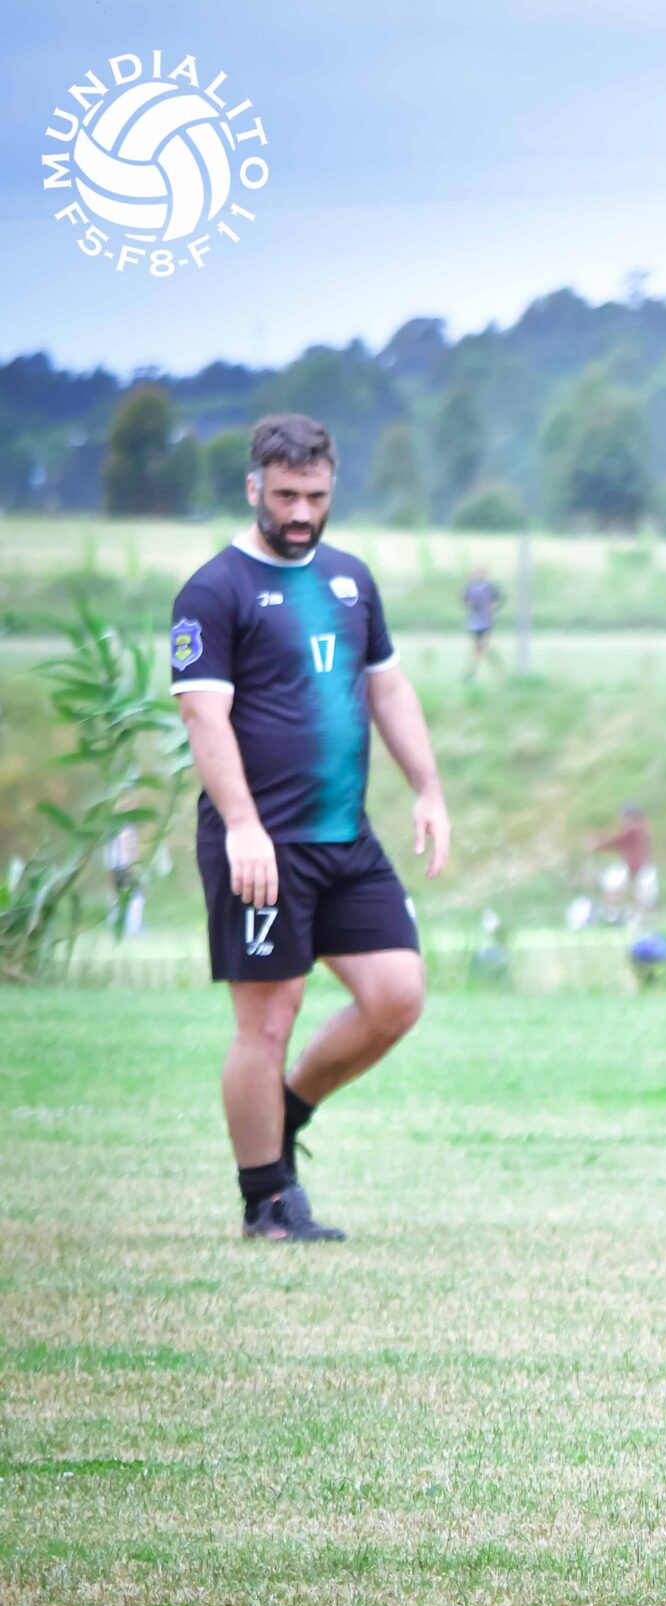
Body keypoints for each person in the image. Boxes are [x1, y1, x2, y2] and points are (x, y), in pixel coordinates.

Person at [169, 414, 449, 1242]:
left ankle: (284, 1111)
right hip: (263, 843)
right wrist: (243, 827)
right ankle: (267, 1200)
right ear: (254, 487)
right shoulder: (213, 591)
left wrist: (428, 788)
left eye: (316, 496)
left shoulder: (351, 581)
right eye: (286, 495)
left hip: (345, 838)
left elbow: (388, 688)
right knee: (268, 1019)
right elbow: (204, 717)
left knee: (397, 994)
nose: (301, 512)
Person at [590, 804, 658, 913]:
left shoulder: (634, 829)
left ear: (629, 817)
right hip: (641, 867)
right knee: (642, 898)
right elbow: (621, 843)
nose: (620, 820)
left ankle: (612, 912)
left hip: (640, 867)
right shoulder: (640, 828)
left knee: (616, 888)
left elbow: (619, 841)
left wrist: (598, 845)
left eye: (622, 817)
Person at [461, 567, 503, 676]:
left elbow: (499, 599)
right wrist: (469, 604)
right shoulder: (470, 588)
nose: (478, 575)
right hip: (474, 622)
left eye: (480, 573)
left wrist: (492, 608)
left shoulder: (489, 588)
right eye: (476, 573)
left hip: (486, 621)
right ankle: (494, 669)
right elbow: (465, 600)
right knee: (479, 648)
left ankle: (472, 671)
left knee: (483, 647)